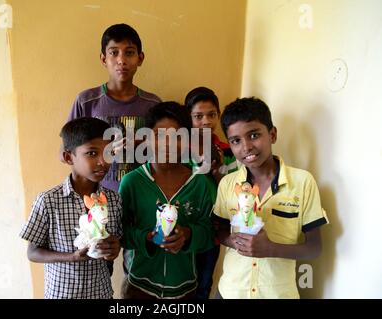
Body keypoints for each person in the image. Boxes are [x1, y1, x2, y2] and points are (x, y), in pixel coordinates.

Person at [213, 97, 329, 298]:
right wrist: (235, 241)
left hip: (277, 293)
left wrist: (270, 248)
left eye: (254, 135)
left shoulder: (302, 183)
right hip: (231, 291)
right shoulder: (228, 184)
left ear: (272, 134)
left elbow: (314, 249)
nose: (246, 147)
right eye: (236, 141)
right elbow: (219, 230)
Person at [119, 102, 215, 299]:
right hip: (138, 287)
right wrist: (145, 238)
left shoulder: (200, 183)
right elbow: (120, 231)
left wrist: (188, 235)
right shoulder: (132, 182)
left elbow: (210, 233)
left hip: (185, 289)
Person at [20, 117, 122, 299]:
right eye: (92, 153)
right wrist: (71, 257)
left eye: (108, 153)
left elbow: (114, 241)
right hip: (62, 294)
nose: (103, 162)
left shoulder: (113, 199)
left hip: (101, 293)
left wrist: (114, 248)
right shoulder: (48, 201)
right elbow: (33, 252)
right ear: (69, 157)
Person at [63, 23, 161, 192]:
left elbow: (167, 149)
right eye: (114, 53)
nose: (121, 60)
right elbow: (65, 154)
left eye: (129, 53)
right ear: (103, 59)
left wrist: (139, 143)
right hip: (97, 199)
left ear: (140, 58)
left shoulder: (153, 104)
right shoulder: (86, 101)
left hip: (142, 195)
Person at [184, 87, 238, 299]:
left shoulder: (227, 151)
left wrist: (217, 173)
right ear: (188, 117)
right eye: (198, 116)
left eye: (211, 115)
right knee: (182, 285)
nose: (206, 121)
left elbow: (234, 192)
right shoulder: (181, 150)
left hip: (213, 230)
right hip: (183, 226)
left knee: (204, 283)